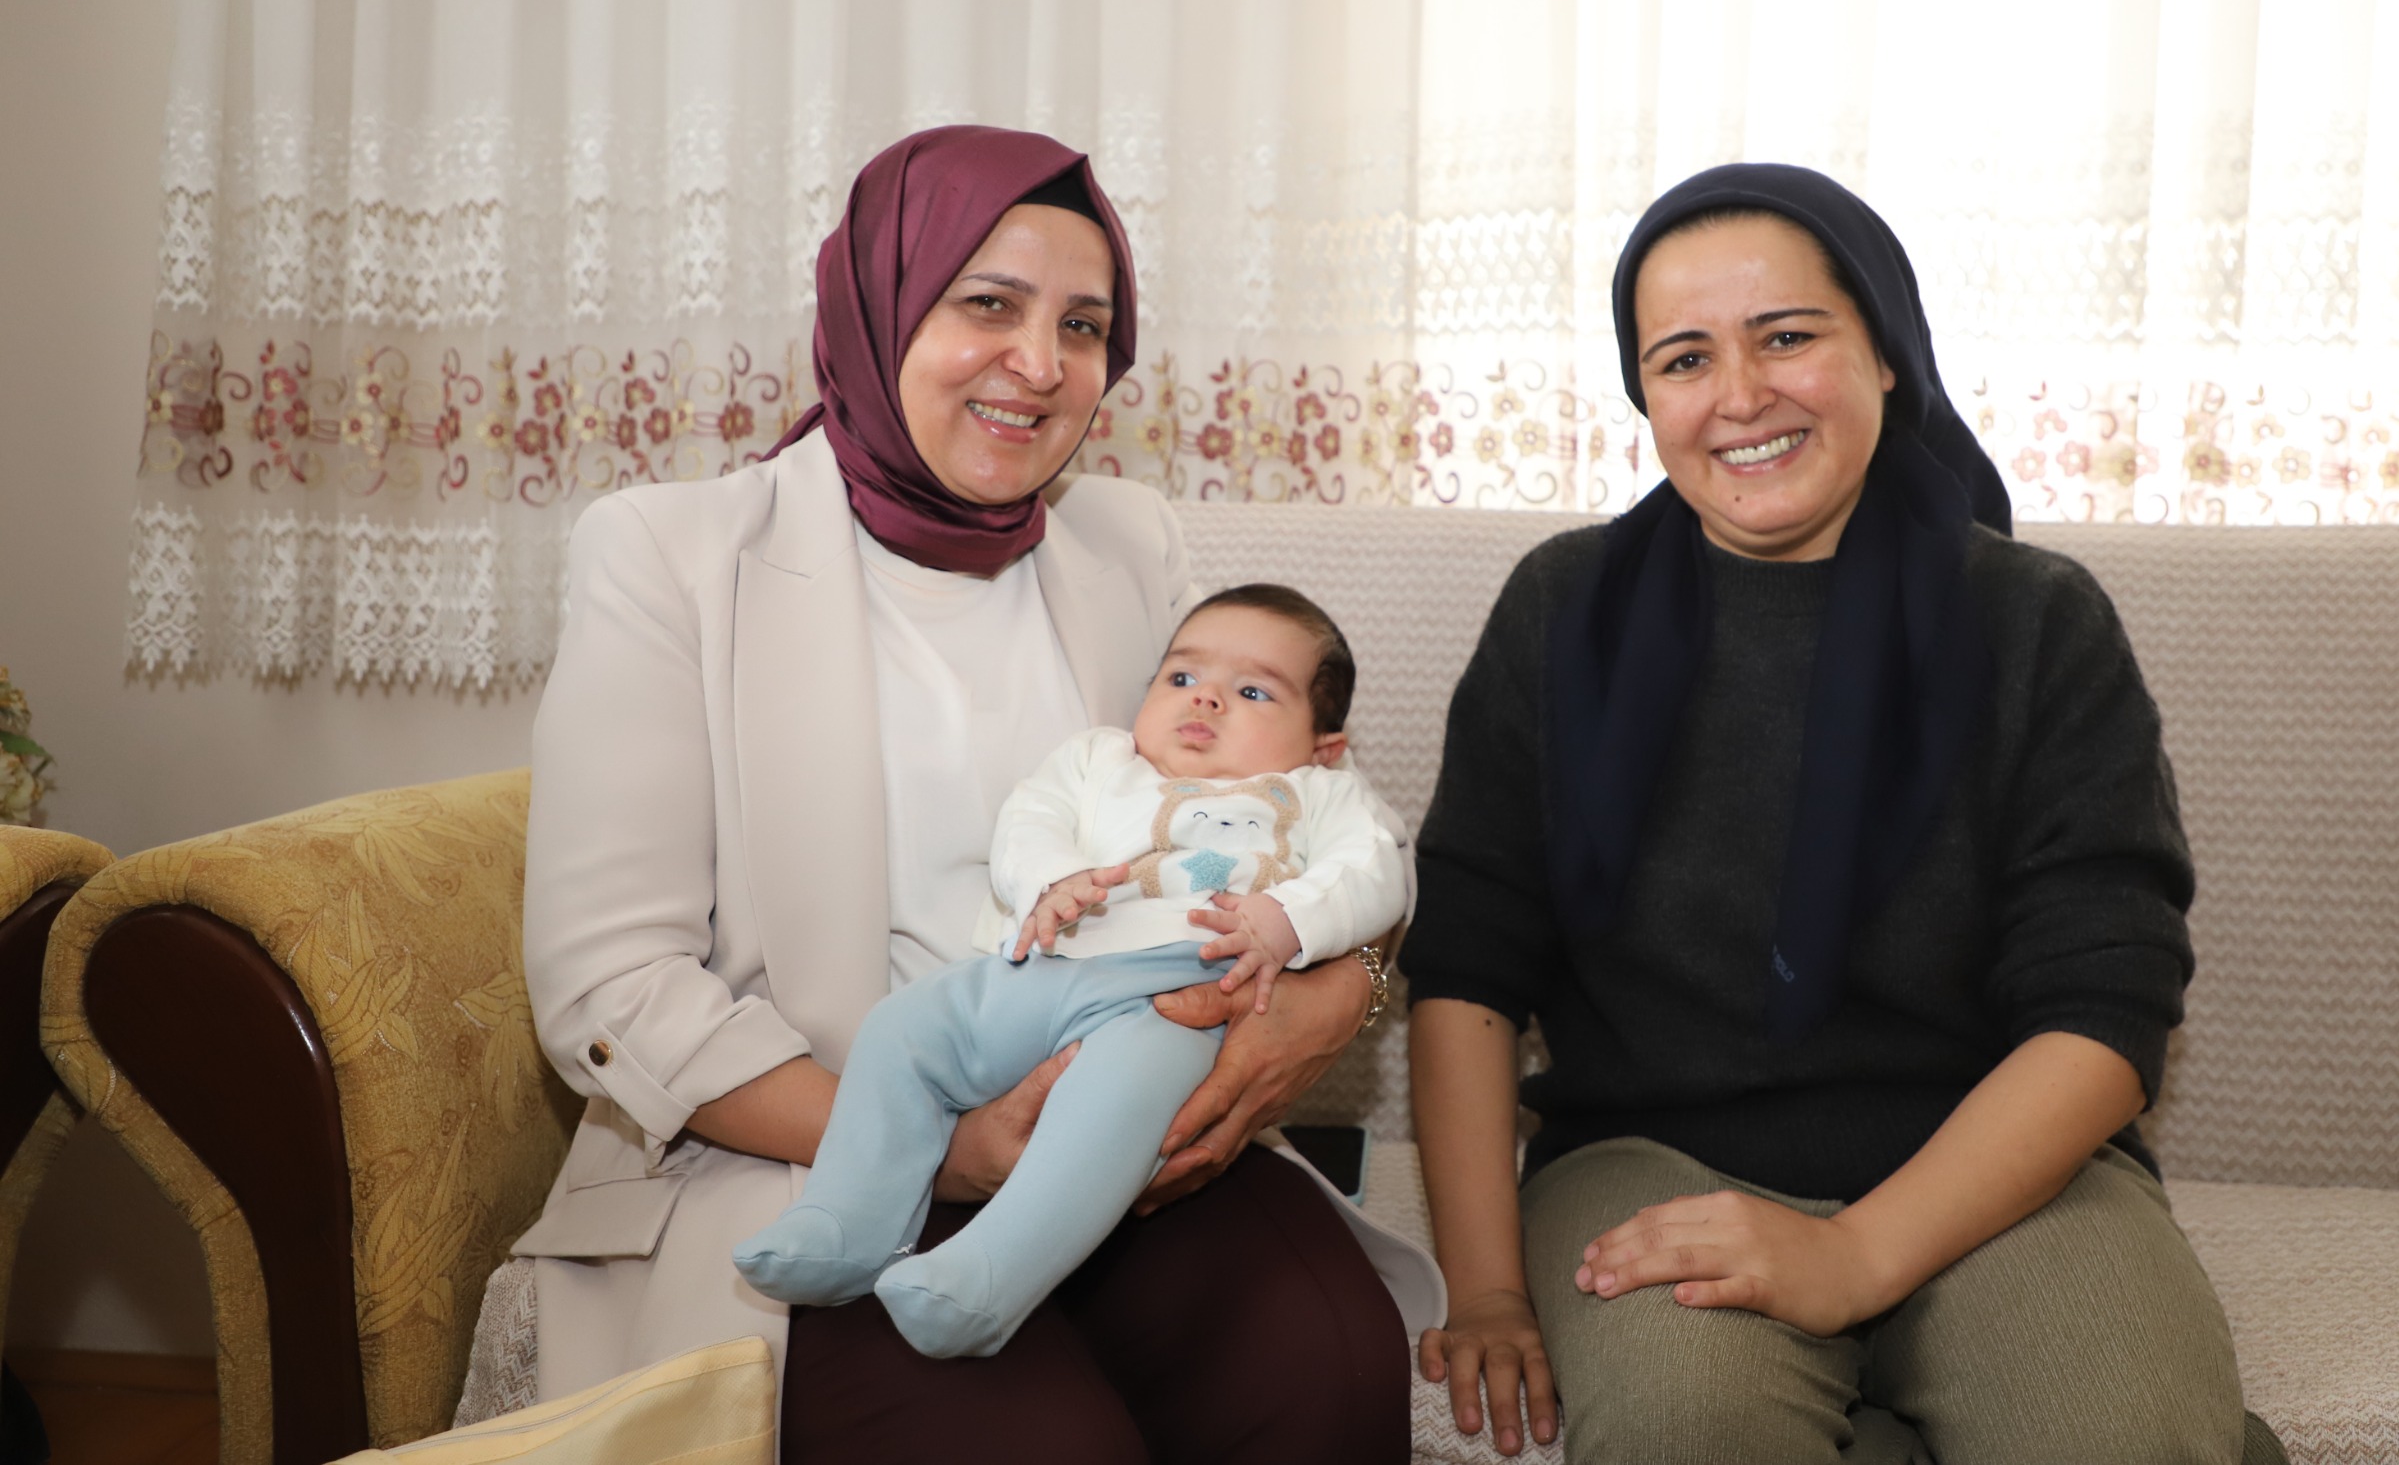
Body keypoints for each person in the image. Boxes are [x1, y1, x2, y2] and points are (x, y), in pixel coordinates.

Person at [516, 126, 1436, 1463]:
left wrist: (1337, 993)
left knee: (1328, 1364)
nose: (1040, 363)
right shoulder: (672, 555)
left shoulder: (1127, 542)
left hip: (1117, 1113)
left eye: (1083, 324)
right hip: (804, 1147)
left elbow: (1302, 819)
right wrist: (941, 1145)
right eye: (989, 304)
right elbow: (609, 983)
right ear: (878, 305)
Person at [1401, 163, 2254, 1464]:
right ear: (1646, 395)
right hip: (1651, 1154)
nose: (1740, 394)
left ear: (1888, 354)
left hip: (1997, 1164)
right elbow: (1466, 969)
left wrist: (1852, 1253)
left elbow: (2105, 1007)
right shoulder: (1561, 611)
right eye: (1685, 358)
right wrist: (1489, 1289)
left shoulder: (2037, 620)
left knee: (2122, 1436)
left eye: (1787, 336)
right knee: (1690, 1428)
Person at [732, 584, 1407, 1359]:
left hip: (1175, 998)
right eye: (1182, 677)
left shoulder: (1319, 794)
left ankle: (987, 1280)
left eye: (1253, 692)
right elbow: (1030, 820)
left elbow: (1374, 870)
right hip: (1042, 963)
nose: (1206, 699)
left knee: (1109, 1107)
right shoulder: (1097, 759)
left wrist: (1288, 919)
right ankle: (846, 1225)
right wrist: (1051, 878)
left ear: (1325, 746)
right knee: (903, 1031)